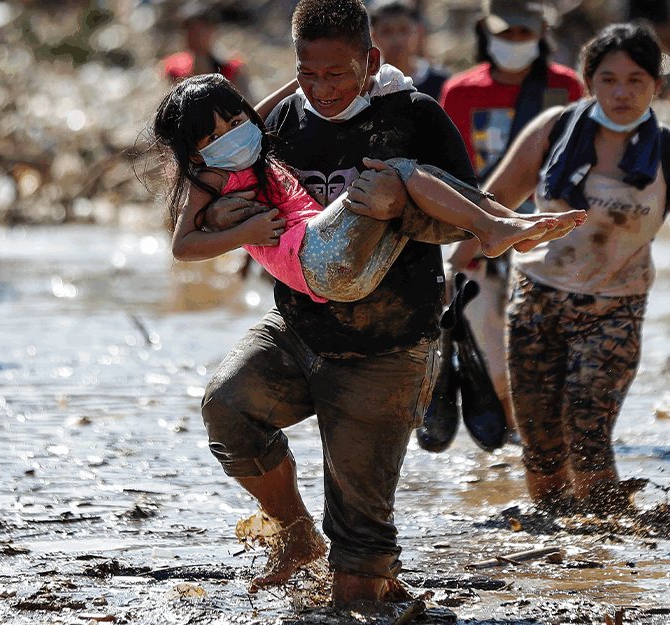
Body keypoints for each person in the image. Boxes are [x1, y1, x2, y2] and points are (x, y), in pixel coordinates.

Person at [193, 0, 579, 605]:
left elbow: (460, 218)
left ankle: (361, 565)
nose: (321, 89)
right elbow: (239, 192)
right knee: (227, 408)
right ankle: (295, 536)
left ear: (370, 62)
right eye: (308, 73)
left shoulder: (414, 117)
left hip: (388, 346)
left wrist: (401, 211)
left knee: (360, 581)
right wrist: (229, 220)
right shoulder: (284, 122)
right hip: (297, 328)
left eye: (337, 74)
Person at [479, 21, 670, 511]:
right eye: (608, 79)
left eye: (636, 80)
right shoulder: (553, 131)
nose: (621, 92)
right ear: (588, 81)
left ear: (657, 86)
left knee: (587, 428)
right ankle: (558, 549)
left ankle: (609, 544)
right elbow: (489, 208)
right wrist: (453, 273)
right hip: (535, 303)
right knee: (540, 445)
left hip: (614, 312)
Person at [151, 73, 580, 304]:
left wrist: (300, 81)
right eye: (213, 136)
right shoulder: (209, 176)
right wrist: (242, 236)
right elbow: (182, 246)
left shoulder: (249, 143)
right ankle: (493, 227)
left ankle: (505, 222)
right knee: (395, 171)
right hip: (315, 256)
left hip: (345, 277)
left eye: (235, 121)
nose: (231, 134)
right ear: (193, 153)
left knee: (412, 195)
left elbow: (257, 115)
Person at [438, 0, 585, 432]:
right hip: (478, 237)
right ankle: (506, 439)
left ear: (542, 32)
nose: (515, 43)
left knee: (546, 350)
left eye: (524, 33)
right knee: (488, 350)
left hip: (548, 237)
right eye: (506, 34)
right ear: (486, 31)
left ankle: (539, 437)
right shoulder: (461, 92)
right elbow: (452, 174)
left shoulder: (568, 88)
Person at [161, 1, 252, 97]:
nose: (194, 38)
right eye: (189, 32)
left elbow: (247, 101)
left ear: (212, 32)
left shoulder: (231, 69)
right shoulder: (175, 70)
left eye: (199, 32)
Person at [368, 0, 450, 101]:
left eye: (404, 30)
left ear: (420, 32)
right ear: (373, 36)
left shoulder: (440, 82)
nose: (397, 40)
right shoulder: (366, 82)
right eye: (387, 32)